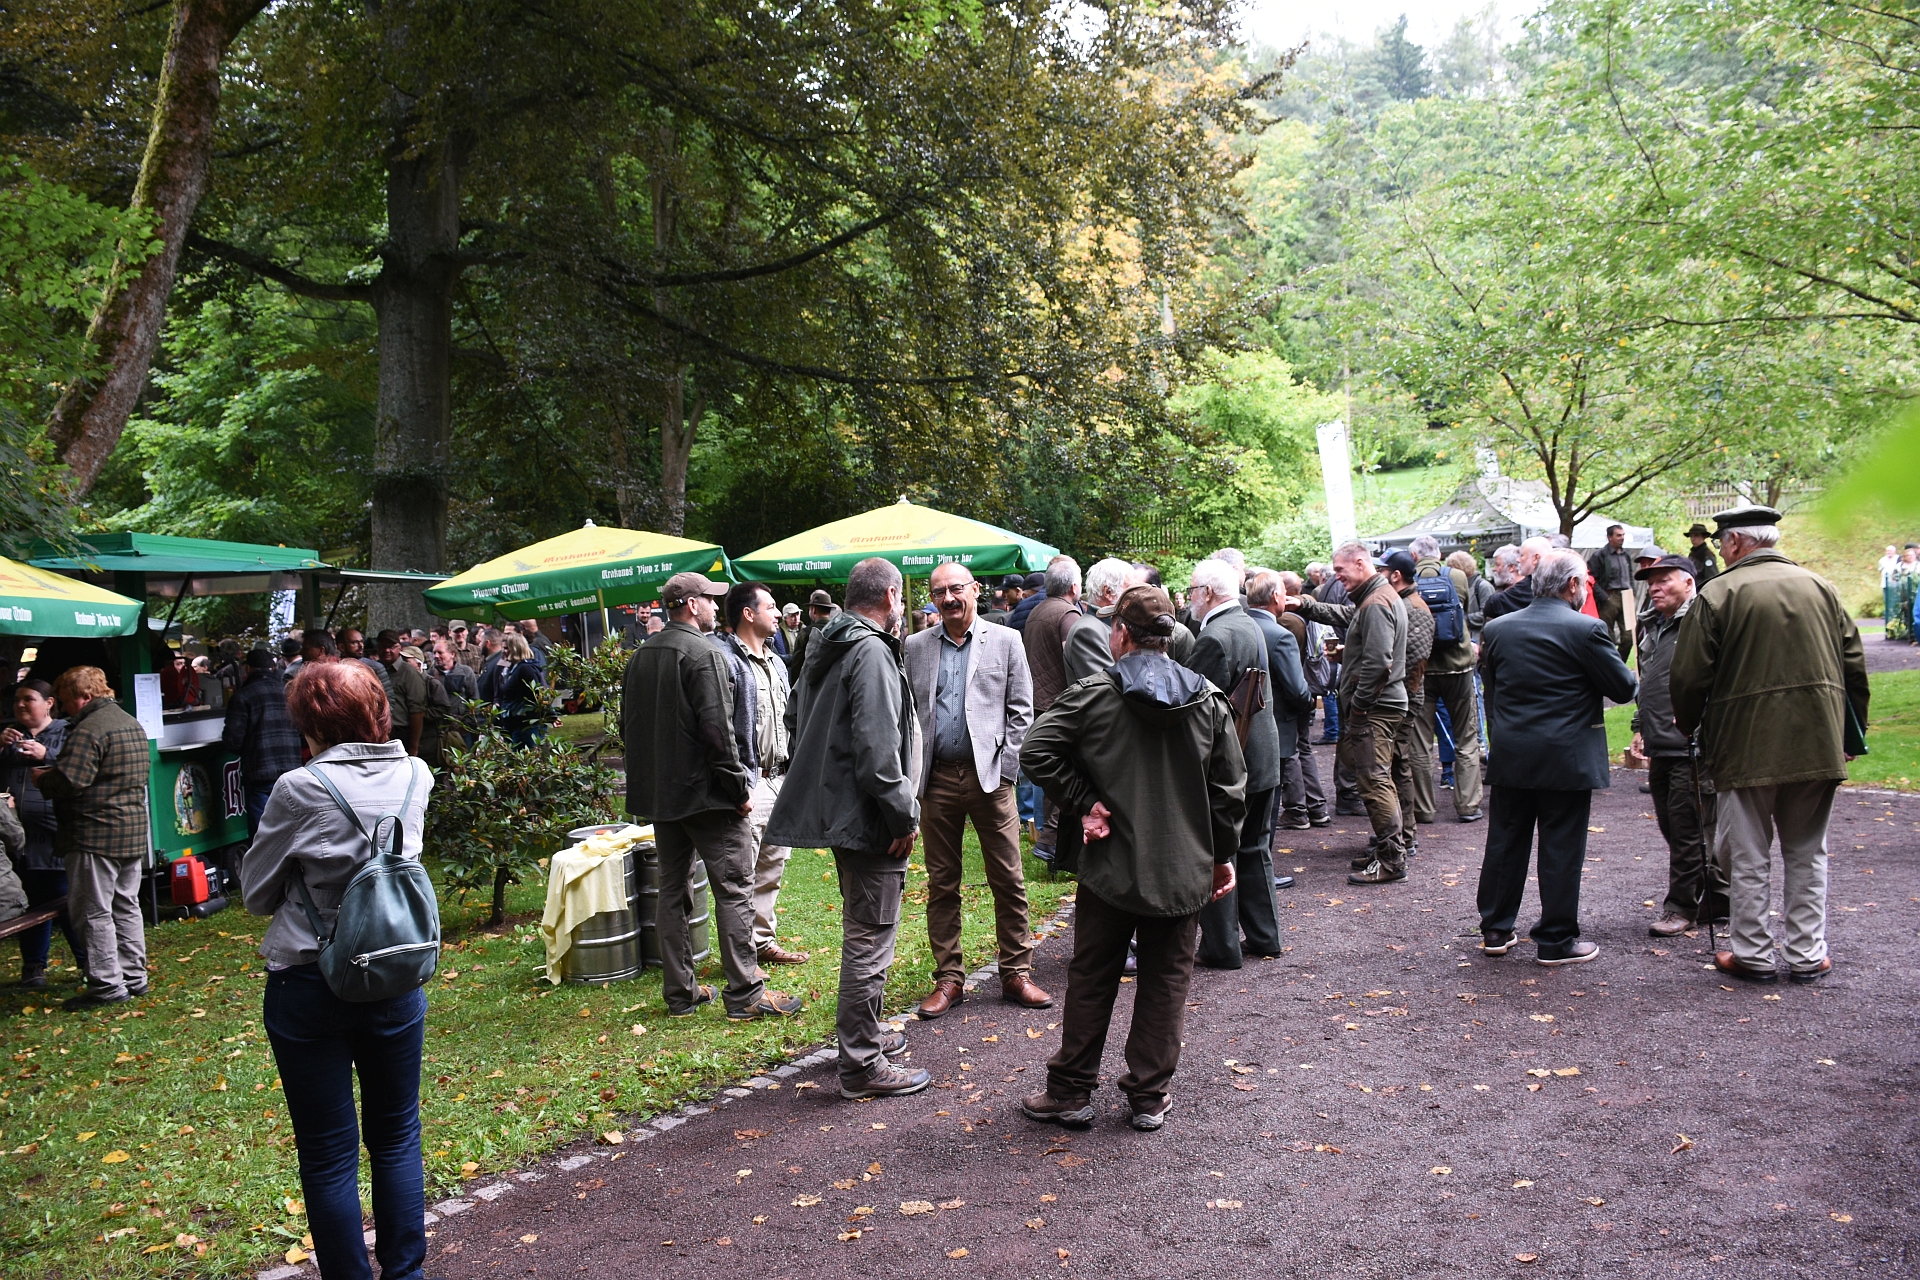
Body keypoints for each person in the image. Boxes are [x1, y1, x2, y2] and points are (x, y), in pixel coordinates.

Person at [1017, 585, 1245, 1131]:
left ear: (1119, 633)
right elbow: (1230, 791)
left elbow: (1036, 750)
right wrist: (1221, 856)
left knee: (1093, 976)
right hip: (1183, 869)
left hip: (1111, 866)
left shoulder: (1093, 695)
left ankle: (1071, 1091)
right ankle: (1148, 1095)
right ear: (1170, 636)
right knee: (1167, 981)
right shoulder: (1209, 699)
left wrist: (1084, 802)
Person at [240, 660, 433, 1280]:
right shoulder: (416, 774)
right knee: (397, 1136)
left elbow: (256, 893)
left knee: (328, 1154)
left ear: (311, 722)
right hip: (396, 970)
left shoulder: (299, 788)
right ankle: (406, 1274)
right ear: (378, 711)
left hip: (309, 977)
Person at [1671, 505, 1869, 984]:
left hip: (1745, 744)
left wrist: (1687, 723)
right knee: (1808, 851)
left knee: (1747, 853)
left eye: (1721, 542)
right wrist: (1849, 735)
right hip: (1817, 739)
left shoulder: (1718, 593)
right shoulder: (1821, 587)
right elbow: (1854, 667)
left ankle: (1753, 954)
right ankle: (1807, 954)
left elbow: (1690, 676)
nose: (1720, 550)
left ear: (1736, 542)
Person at [768, 557, 930, 1100]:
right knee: (871, 935)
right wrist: (902, 813)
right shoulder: (870, 650)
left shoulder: (826, 642)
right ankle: (861, 1064)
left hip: (846, 810)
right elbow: (878, 751)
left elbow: (795, 719)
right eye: (902, 597)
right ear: (890, 596)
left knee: (866, 927)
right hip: (870, 818)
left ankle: (867, 1036)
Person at [623, 572, 801, 1022]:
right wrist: (737, 788)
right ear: (690, 604)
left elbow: (630, 728)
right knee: (735, 889)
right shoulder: (704, 654)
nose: (716, 607)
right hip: (708, 798)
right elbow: (718, 731)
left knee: (671, 891)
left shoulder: (642, 654)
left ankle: (680, 993)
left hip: (664, 798)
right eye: (710, 599)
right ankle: (746, 994)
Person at [1475, 550, 1637, 965]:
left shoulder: (1498, 629)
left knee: (1505, 842)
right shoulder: (1586, 629)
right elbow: (1622, 688)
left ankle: (1495, 928)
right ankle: (1556, 938)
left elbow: (1493, 687)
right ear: (1572, 585)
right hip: (1566, 756)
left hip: (1512, 751)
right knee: (1561, 846)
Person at [905, 561, 1045, 1018]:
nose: (948, 598)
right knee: (942, 883)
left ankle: (1016, 973)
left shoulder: (1006, 640)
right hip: (937, 780)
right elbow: (909, 713)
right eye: (939, 592)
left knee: (1008, 878)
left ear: (975, 589)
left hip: (990, 779)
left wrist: (1006, 771)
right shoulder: (915, 646)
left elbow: (1022, 711)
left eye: (956, 588)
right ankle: (949, 978)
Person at [1290, 544, 1410, 882]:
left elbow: (1379, 663)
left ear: (1360, 563)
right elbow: (1351, 621)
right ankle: (1387, 849)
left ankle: (1391, 860)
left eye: (1340, 570)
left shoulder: (1376, 603)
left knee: (1374, 781)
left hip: (1376, 708)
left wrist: (1359, 707)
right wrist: (1307, 605)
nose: (1337, 576)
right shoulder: (1375, 598)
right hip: (1382, 704)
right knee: (1377, 779)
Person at [31, 667, 150, 1010]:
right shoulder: (130, 722)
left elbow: (71, 781)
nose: (65, 709)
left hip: (93, 833)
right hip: (130, 830)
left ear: (83, 696)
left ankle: (107, 985)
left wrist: (42, 779)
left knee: (92, 911)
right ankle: (134, 976)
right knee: (126, 905)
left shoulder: (89, 729)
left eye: (66, 701)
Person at [1183, 556, 1282, 964]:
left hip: (1231, 765)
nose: (1188, 598)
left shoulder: (1215, 637)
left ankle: (1221, 948)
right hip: (1263, 755)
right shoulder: (1248, 623)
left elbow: (1192, 708)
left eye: (1191, 590)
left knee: (1217, 852)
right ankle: (1265, 937)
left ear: (1207, 592)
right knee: (1256, 848)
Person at [1630, 554, 1724, 937]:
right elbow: (1649, 682)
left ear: (1688, 582)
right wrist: (1639, 726)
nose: (1654, 588)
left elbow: (1717, 679)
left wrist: (1699, 722)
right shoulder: (1655, 626)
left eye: (1664, 580)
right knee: (1674, 827)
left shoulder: (1702, 622)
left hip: (1692, 746)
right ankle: (1720, 897)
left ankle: (1681, 908)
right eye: (1650, 582)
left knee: (1688, 831)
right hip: (1661, 745)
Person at [719, 581, 806, 967]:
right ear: (748, 613)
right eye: (770, 607)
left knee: (772, 866)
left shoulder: (776, 662)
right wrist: (737, 784)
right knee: (741, 873)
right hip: (749, 782)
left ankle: (762, 942)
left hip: (779, 779)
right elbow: (721, 727)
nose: (777, 613)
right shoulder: (725, 660)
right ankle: (741, 959)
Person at [3, 679, 80, 988]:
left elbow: (79, 769)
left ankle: (89, 963)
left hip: (55, 834)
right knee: (32, 902)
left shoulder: (68, 732)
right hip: (19, 838)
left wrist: (47, 753)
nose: (20, 704)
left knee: (67, 902)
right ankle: (34, 967)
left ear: (49, 703)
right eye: (17, 699)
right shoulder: (9, 735)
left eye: (28, 698)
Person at [1243, 570, 1313, 887]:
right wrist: (1309, 703)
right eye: (1284, 592)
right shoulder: (1280, 636)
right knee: (1267, 810)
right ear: (1275, 597)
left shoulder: (1241, 627)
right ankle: (1262, 875)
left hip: (1240, 729)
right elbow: (1298, 691)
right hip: (1276, 730)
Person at [1410, 537, 1483, 824]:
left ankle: (1424, 809)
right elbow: (1461, 610)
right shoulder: (1457, 577)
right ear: (1439, 554)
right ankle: (1468, 805)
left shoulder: (1407, 580)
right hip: (1458, 666)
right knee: (1466, 737)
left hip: (1423, 670)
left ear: (1414, 556)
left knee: (1420, 740)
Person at [1021, 557, 1083, 858]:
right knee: (1066, 772)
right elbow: (1077, 656)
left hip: (1038, 702)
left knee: (1047, 772)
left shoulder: (1037, 610)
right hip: (1060, 703)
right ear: (1073, 587)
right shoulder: (1068, 614)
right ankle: (1050, 840)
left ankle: (1046, 836)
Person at [1379, 551, 1437, 853]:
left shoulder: (1413, 607)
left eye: (1382, 569)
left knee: (1398, 766)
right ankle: (1401, 833)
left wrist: (1401, 702)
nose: (1378, 574)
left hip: (1403, 701)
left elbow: (1415, 661)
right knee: (1394, 766)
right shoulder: (1401, 603)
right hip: (1400, 698)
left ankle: (1405, 835)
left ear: (1396, 575)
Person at [1268, 571, 1329, 832]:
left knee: (1291, 750)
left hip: (1294, 692)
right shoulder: (1308, 614)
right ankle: (1317, 807)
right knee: (1303, 747)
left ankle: (1296, 809)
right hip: (1308, 687)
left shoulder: (1286, 621)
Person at [221, 649, 303, 836]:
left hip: (260, 773)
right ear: (273, 667)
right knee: (291, 830)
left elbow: (232, 741)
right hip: (292, 771)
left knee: (262, 834)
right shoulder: (290, 694)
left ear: (248, 668)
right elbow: (301, 731)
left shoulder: (243, 696)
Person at [1064, 558, 1133, 683]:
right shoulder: (1087, 631)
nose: (1134, 595)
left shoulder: (1103, 625)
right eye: (1129, 589)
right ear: (1108, 592)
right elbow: (1108, 686)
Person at [1586, 524, 1637, 659]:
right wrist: (1603, 596)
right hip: (1609, 596)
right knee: (1608, 637)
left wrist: (1633, 591)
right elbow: (1590, 577)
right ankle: (1610, 664)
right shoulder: (1600, 555)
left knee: (1629, 636)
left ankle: (1619, 663)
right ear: (1610, 537)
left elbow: (1630, 574)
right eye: (1618, 535)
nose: (1622, 538)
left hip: (1626, 596)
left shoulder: (1626, 554)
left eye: (1623, 535)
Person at [375, 630, 428, 755]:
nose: (387, 650)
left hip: (400, 733)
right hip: (376, 732)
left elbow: (417, 711)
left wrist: (414, 747)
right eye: (383, 646)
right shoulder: (373, 669)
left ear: (399, 648)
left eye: (391, 647)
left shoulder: (409, 673)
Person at [494, 632, 550, 746]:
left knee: (525, 754)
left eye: (506, 648)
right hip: (513, 725)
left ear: (516, 648)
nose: (503, 651)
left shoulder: (525, 669)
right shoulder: (509, 669)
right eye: (502, 648)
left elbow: (539, 695)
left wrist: (550, 714)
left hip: (525, 727)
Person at [785, 588, 835, 677]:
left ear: (813, 610)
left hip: (810, 682)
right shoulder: (839, 630)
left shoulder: (805, 633)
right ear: (829, 610)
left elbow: (797, 666)